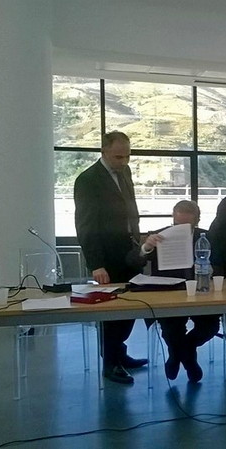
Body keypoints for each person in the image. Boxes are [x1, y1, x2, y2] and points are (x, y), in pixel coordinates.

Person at [74, 131, 148, 384]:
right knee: (112, 310)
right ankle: (110, 362)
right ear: (103, 151)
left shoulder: (125, 173)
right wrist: (96, 264)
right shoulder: (88, 180)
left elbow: (130, 209)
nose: (124, 161)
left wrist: (138, 239)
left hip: (129, 251)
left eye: (127, 156)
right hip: (107, 255)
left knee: (130, 305)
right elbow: (85, 225)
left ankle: (120, 352)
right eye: (118, 157)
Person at [126, 200, 220, 383]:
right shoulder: (160, 235)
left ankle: (183, 351)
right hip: (168, 292)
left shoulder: (206, 237)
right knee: (171, 329)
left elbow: (219, 263)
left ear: (196, 221)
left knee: (210, 326)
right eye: (177, 224)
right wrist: (146, 247)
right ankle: (184, 357)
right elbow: (131, 261)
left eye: (186, 225)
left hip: (199, 292)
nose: (180, 228)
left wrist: (211, 270)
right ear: (173, 219)